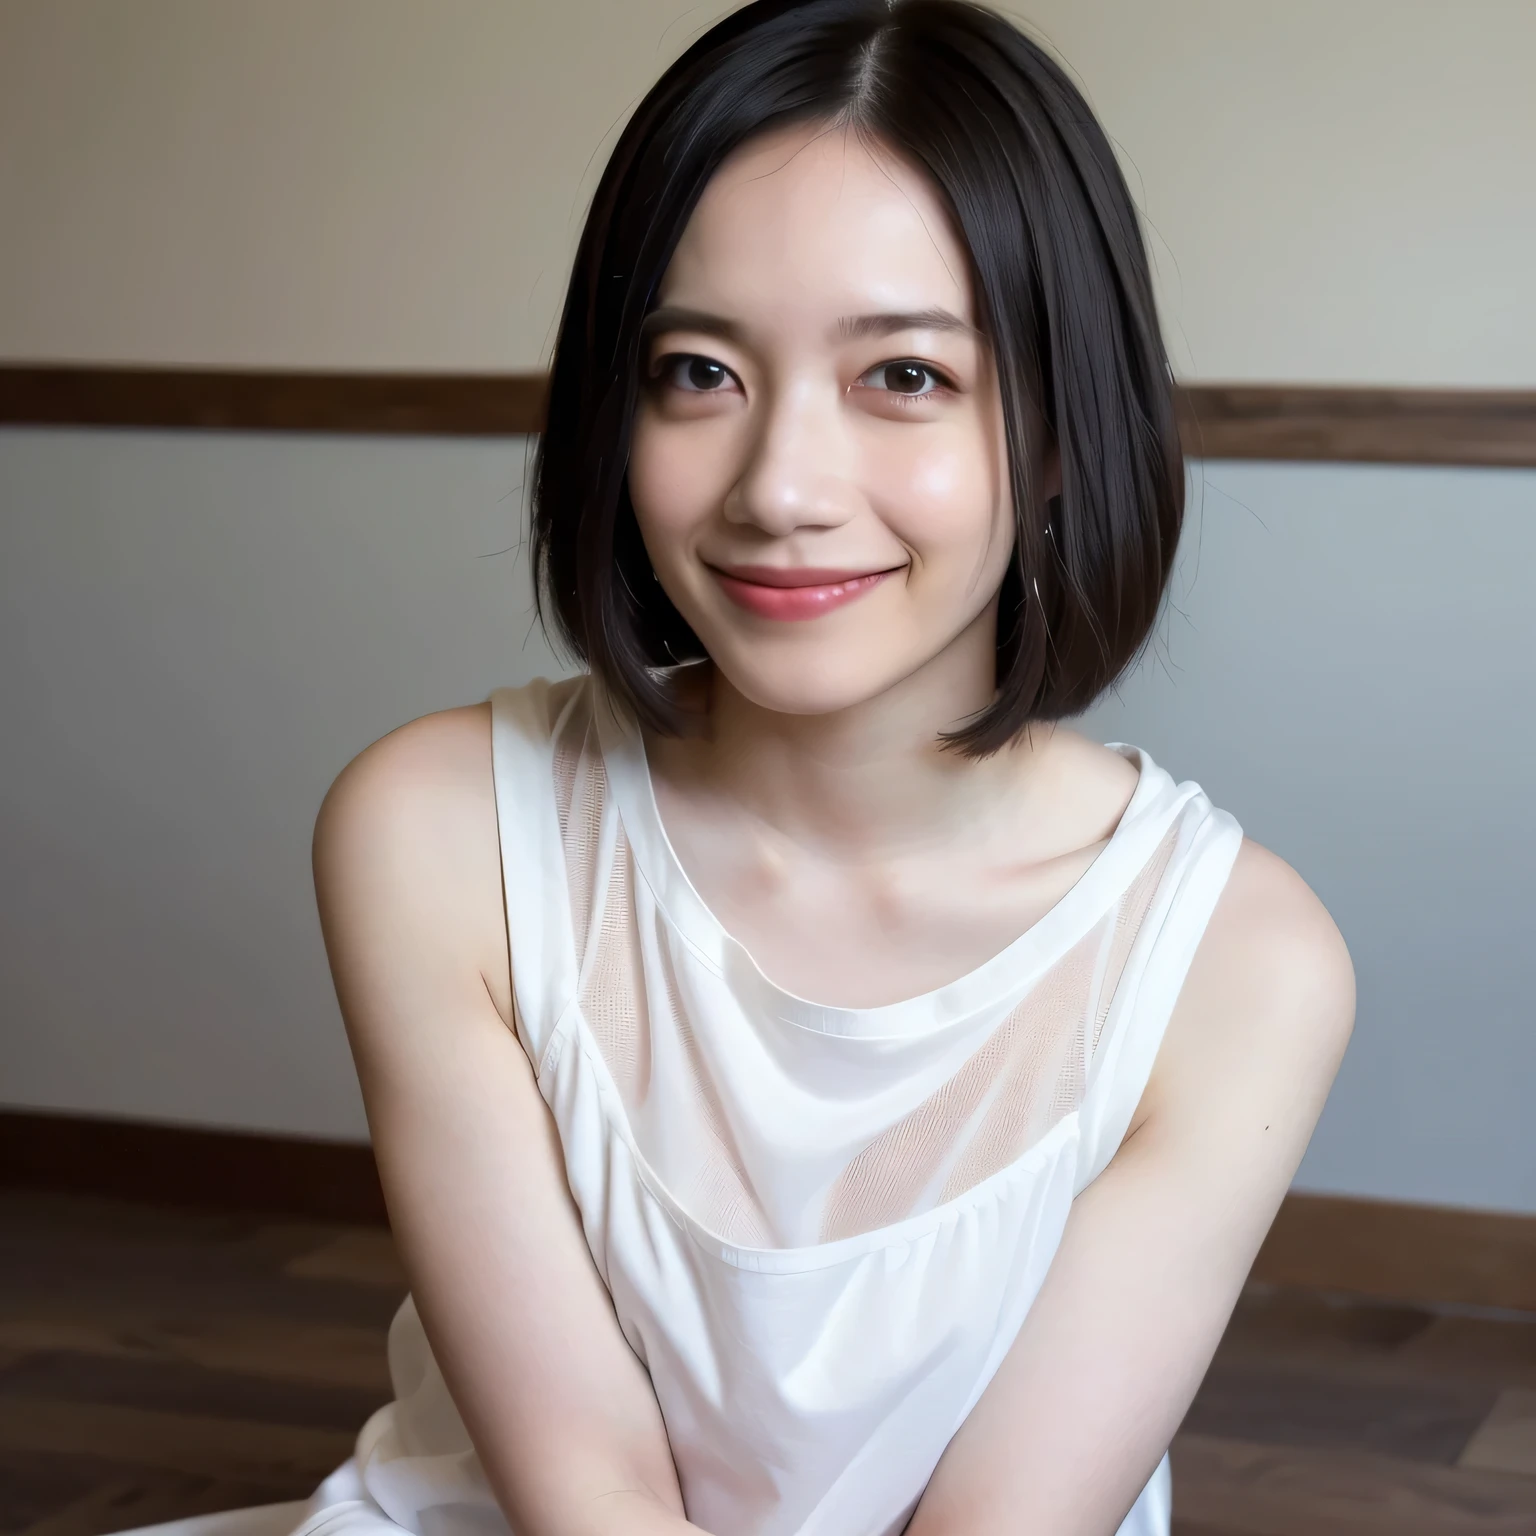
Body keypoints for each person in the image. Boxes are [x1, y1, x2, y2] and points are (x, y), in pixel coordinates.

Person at [129, 3, 1354, 1535]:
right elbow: (588, 1491)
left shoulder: (1243, 963)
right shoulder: (434, 832)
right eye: (697, 372)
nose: (778, 487)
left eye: (903, 376)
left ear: (1054, 436)